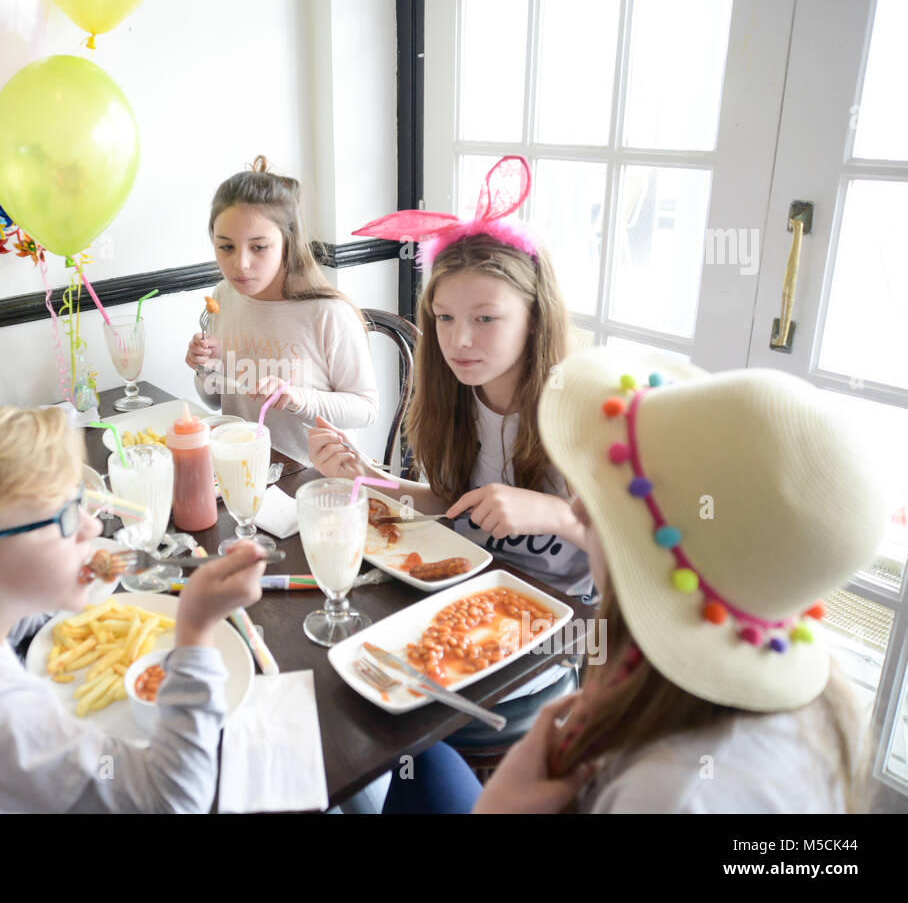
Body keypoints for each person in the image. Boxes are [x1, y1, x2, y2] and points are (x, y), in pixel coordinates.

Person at [426, 348, 882, 813]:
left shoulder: (672, 792)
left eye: (615, 503)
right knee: (427, 764)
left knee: (422, 763)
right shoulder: (822, 713)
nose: (578, 509)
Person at [0, 406, 267, 813]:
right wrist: (195, 630)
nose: (92, 526)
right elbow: (170, 800)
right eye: (64, 518)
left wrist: (66, 581)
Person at [310, 157, 589, 595]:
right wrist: (364, 476)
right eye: (444, 317)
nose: (458, 340)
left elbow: (645, 560)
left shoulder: (588, 413)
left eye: (485, 318)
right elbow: (449, 504)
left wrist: (555, 515)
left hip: (560, 615)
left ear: (536, 317)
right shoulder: (455, 396)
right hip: (465, 591)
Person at [185, 156, 378, 465]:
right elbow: (214, 399)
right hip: (243, 467)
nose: (240, 264)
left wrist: (298, 398)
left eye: (259, 247)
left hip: (314, 478)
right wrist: (205, 367)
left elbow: (366, 410)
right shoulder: (223, 296)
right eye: (226, 247)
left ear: (287, 243)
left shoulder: (328, 314)